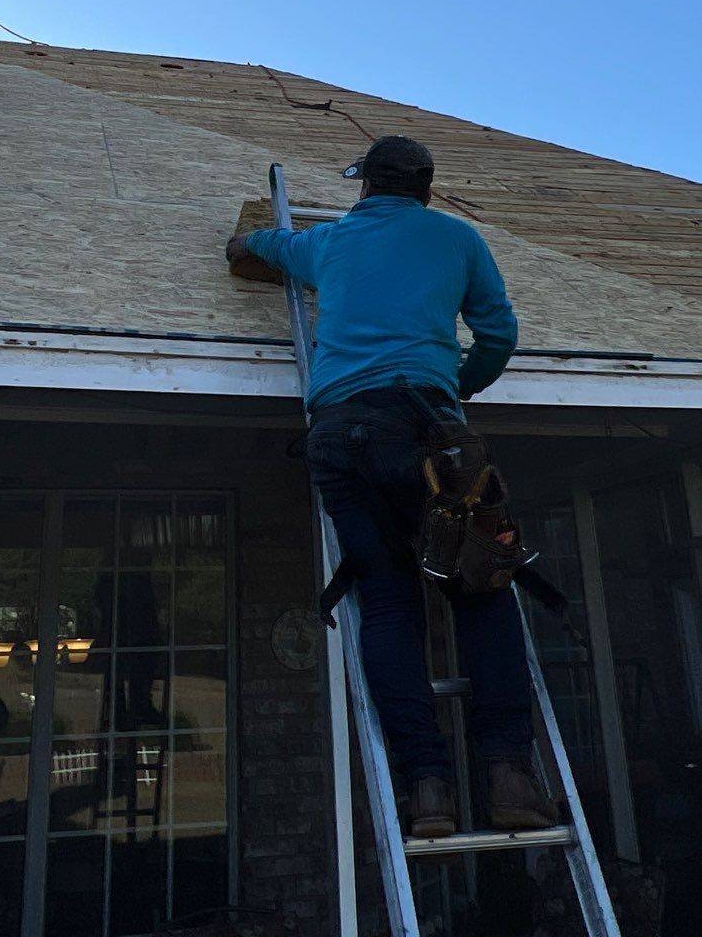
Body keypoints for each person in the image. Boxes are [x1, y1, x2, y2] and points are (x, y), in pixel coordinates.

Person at [226, 134, 559, 838]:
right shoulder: (457, 240)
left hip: (339, 435)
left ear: (364, 187)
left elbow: (262, 245)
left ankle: (428, 790)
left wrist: (244, 242)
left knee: (386, 603)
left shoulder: (330, 242)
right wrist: (449, 394)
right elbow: (498, 335)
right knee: (482, 590)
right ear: (427, 191)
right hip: (430, 438)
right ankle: (506, 775)